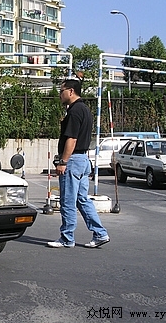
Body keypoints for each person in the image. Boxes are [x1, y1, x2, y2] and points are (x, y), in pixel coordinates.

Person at [47, 78, 110, 249]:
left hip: (73, 160)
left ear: (71, 91)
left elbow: (72, 139)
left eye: (62, 91)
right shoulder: (85, 110)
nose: (60, 94)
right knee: (82, 199)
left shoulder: (74, 111)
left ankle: (67, 238)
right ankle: (100, 233)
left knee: (68, 200)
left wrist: (63, 161)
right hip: (83, 160)